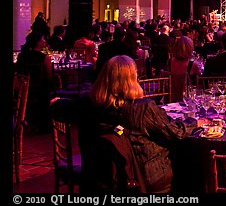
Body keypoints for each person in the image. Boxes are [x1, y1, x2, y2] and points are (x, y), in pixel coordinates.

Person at [50, 55, 197, 192]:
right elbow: (177, 132)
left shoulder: (87, 104)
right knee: (185, 165)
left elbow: (60, 108)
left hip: (97, 176)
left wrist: (57, 102)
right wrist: (194, 121)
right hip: (142, 179)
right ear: (133, 78)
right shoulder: (144, 109)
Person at [15, 31, 57, 133]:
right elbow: (49, 77)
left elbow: (18, 72)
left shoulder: (21, 56)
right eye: (43, 39)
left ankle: (30, 119)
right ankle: (46, 122)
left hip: (23, 90)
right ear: (38, 42)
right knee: (53, 86)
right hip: (40, 91)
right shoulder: (45, 58)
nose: (45, 41)